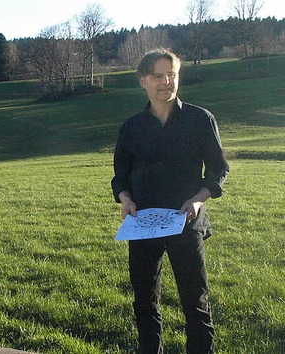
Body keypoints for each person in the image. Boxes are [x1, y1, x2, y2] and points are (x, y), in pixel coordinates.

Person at [111, 49, 230, 353]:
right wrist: (125, 199)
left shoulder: (201, 119)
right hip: (143, 228)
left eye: (172, 74)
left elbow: (218, 170)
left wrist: (199, 200)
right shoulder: (130, 128)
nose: (166, 82)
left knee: (196, 304)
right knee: (144, 304)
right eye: (158, 76)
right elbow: (120, 177)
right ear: (143, 81)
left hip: (186, 223)